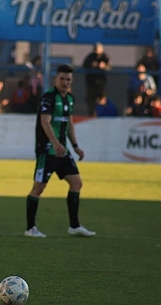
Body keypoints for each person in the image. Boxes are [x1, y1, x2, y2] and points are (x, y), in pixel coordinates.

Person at [25, 64, 95, 238]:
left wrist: (76, 146)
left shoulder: (69, 98)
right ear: (56, 78)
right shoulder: (48, 98)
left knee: (77, 183)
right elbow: (45, 121)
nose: (65, 82)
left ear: (72, 81)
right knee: (38, 188)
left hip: (62, 151)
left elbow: (70, 123)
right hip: (47, 150)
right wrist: (55, 143)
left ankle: (74, 226)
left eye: (68, 79)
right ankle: (30, 228)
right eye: (62, 78)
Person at [82, 42, 111, 116]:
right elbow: (85, 65)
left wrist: (104, 66)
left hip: (100, 83)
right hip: (91, 82)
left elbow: (109, 67)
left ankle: (101, 114)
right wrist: (92, 65)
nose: (96, 50)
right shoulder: (90, 56)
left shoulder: (105, 57)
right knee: (90, 99)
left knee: (100, 99)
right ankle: (92, 114)